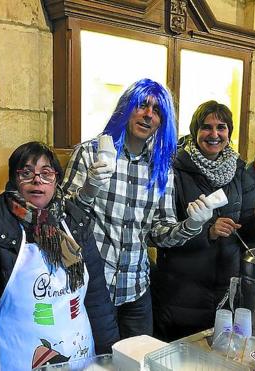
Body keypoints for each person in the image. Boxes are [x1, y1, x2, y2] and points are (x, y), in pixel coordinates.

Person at [62, 79, 216, 339]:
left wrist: (192, 224)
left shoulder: (161, 168)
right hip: (93, 288)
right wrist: (88, 190)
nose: (148, 115)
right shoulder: (91, 153)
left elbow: (159, 233)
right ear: (126, 108)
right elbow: (63, 220)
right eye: (142, 105)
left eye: (157, 111)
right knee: (97, 365)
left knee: (139, 362)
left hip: (136, 290)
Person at [0, 142, 119, 370]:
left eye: (46, 173)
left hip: (82, 360)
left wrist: (111, 357)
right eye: (26, 173)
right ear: (14, 180)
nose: (37, 180)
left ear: (56, 180)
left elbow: (97, 300)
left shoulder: (74, 223)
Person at [150, 100, 255, 341]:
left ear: (229, 132)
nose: (214, 134)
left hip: (224, 286)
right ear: (195, 131)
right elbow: (159, 231)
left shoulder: (239, 170)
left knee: (217, 355)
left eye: (221, 127)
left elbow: (247, 225)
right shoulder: (174, 169)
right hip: (182, 287)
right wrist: (207, 231)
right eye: (206, 127)